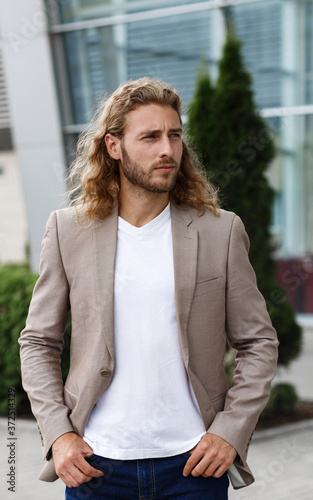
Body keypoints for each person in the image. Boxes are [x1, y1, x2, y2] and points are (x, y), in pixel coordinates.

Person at [19, 77, 279, 499]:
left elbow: (259, 341)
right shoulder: (68, 231)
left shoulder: (220, 231)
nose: (167, 150)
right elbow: (38, 342)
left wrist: (230, 432)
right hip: (94, 467)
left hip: (194, 468)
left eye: (175, 135)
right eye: (151, 137)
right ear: (114, 146)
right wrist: (58, 434)